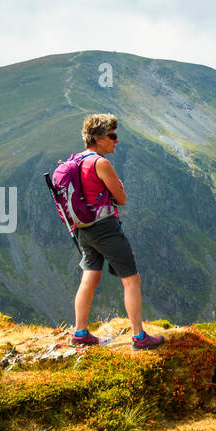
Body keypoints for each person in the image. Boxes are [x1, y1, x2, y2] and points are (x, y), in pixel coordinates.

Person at [69, 113, 164, 350]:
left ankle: (80, 333)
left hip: (84, 229)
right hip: (106, 229)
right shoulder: (101, 163)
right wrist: (117, 187)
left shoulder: (77, 160)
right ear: (98, 138)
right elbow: (121, 198)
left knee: (90, 277)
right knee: (132, 280)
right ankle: (139, 337)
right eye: (112, 136)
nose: (116, 140)